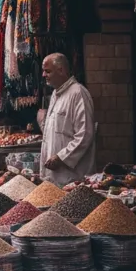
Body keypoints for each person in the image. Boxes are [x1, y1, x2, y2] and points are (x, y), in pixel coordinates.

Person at [39, 53, 96, 186]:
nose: (43, 75)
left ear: (61, 70)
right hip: (54, 177)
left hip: (73, 177)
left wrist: (61, 157)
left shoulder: (78, 93)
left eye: (48, 71)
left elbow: (85, 134)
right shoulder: (55, 93)